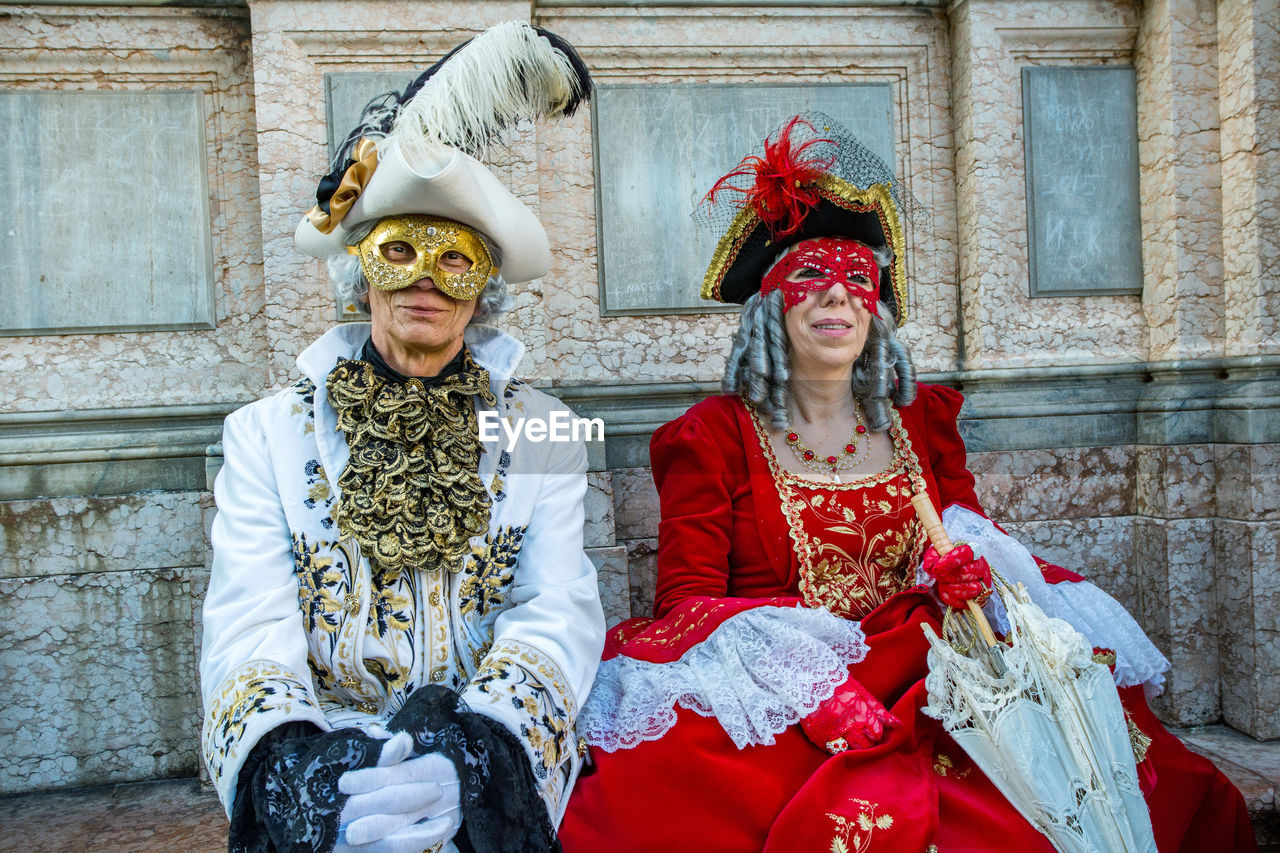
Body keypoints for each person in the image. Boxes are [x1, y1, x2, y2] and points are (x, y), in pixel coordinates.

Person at [559, 115, 1256, 852]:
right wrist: (811, 688)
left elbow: (966, 534)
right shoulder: (712, 434)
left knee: (1104, 778)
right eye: (811, 278)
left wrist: (968, 575)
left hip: (928, 666)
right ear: (769, 306)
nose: (839, 297)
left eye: (858, 279)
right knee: (669, 794)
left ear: (879, 310)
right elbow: (687, 600)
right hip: (790, 687)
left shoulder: (920, 417)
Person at [199, 22, 605, 853]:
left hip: (484, 753)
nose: (425, 277)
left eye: (454, 259)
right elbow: (249, 623)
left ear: (484, 286)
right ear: (360, 272)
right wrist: (311, 779)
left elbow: (554, 606)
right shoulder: (264, 435)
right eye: (399, 250)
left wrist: (471, 760)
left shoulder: (545, 431)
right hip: (328, 747)